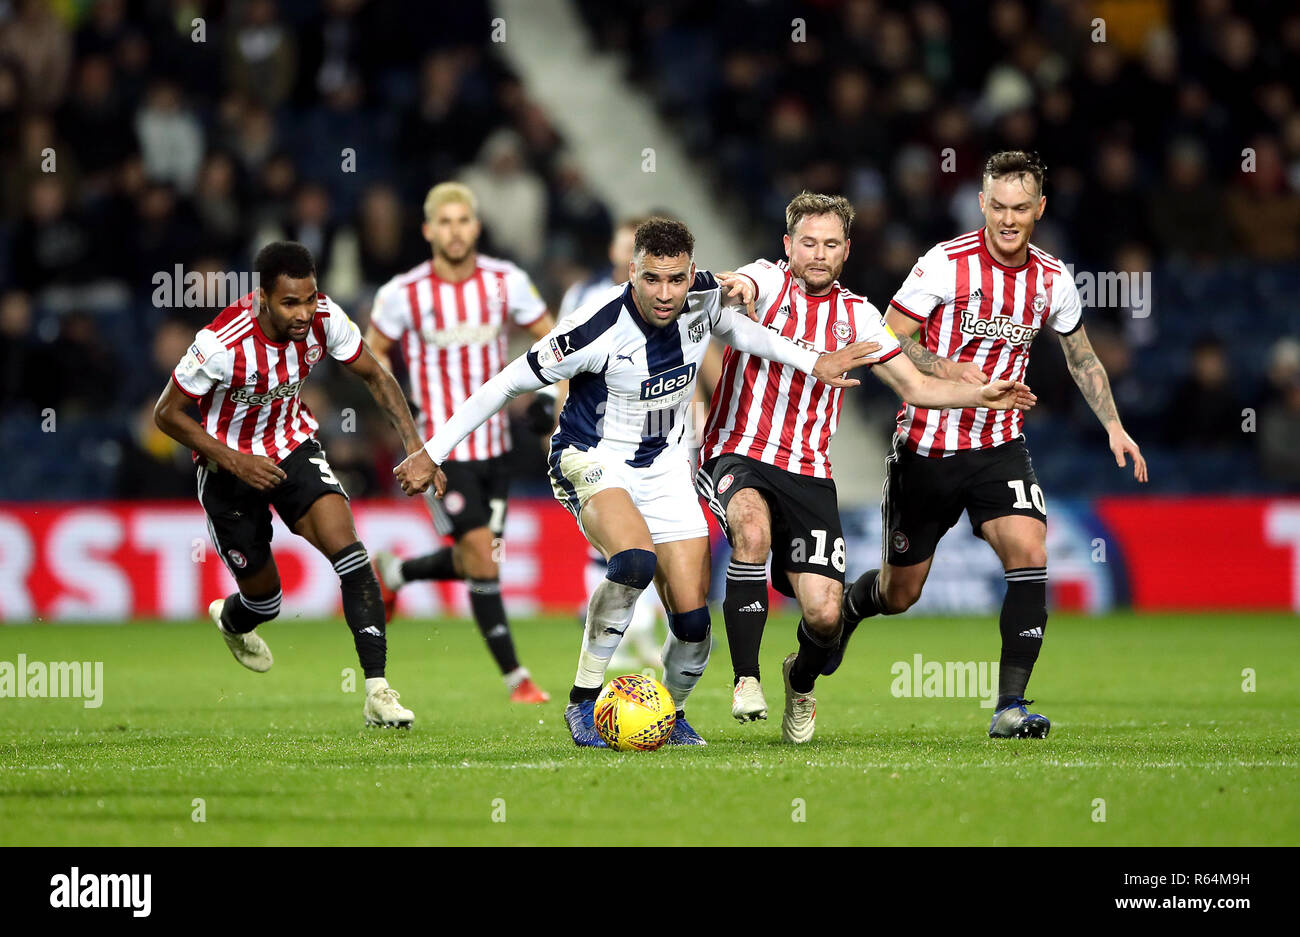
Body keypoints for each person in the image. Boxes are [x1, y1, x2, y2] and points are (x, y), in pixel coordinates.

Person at [394, 218, 881, 747]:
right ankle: (583, 701)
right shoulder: (594, 327)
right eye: (651, 279)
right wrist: (430, 452)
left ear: (691, 272)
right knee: (633, 562)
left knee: (694, 624)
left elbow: (739, 330)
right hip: (592, 457)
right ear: (632, 271)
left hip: (667, 465)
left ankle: (666, 716)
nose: (665, 293)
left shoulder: (703, 296)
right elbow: (504, 384)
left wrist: (814, 361)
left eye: (676, 279)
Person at [697, 192, 1038, 743]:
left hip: (808, 471)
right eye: (807, 242)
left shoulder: (857, 315)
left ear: (847, 251)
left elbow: (916, 386)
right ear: (788, 245)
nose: (818, 253)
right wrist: (730, 284)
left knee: (826, 617)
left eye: (831, 244)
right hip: (738, 451)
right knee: (751, 533)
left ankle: (798, 680)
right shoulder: (767, 281)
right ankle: (745, 680)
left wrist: (981, 395)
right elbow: (740, 282)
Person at [834, 151, 1149, 738]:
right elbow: (885, 335)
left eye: (1020, 209)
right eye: (998, 206)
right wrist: (949, 369)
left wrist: (1113, 424)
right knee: (901, 592)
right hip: (927, 443)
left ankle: (1010, 707)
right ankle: (853, 608)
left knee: (1029, 551)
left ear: (1039, 210)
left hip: (999, 445)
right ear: (982, 203)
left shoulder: (1054, 278)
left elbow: (1079, 355)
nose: (1008, 219)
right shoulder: (944, 265)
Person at [153, 241, 424, 727]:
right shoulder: (220, 344)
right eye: (289, 302)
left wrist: (416, 448)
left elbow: (377, 377)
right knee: (266, 600)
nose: (303, 313)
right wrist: (236, 461)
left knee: (353, 556)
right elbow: (166, 414)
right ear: (261, 298)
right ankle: (234, 620)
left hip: (293, 447)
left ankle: (378, 692)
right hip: (227, 470)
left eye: (309, 297)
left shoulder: (324, 318)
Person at [365, 182, 555, 704]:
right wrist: (403, 427)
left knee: (481, 558)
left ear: (476, 226)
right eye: (443, 222)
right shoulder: (404, 292)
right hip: (439, 453)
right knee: (481, 556)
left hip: (495, 446)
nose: (454, 230)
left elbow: (554, 338)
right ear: (428, 230)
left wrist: (555, 396)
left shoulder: (505, 281)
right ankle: (517, 680)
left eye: (462, 220)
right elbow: (370, 358)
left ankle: (398, 571)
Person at [560, 217, 667, 671]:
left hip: (659, 425)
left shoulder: (667, 298)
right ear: (614, 253)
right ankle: (622, 633)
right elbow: (561, 367)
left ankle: (645, 628)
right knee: (607, 539)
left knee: (656, 531)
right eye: (624, 247)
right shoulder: (586, 300)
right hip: (601, 432)